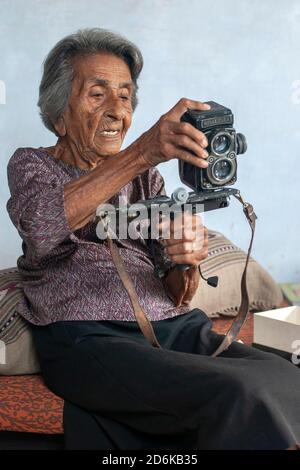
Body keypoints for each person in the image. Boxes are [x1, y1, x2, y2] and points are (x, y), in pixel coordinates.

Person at [6, 28, 300, 450]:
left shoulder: (146, 178)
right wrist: (143, 150)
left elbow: (177, 293)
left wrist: (185, 262)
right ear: (58, 114)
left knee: (288, 377)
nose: (116, 110)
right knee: (239, 393)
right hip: (89, 338)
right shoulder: (33, 166)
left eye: (125, 97)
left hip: (172, 327)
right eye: (97, 94)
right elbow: (41, 226)